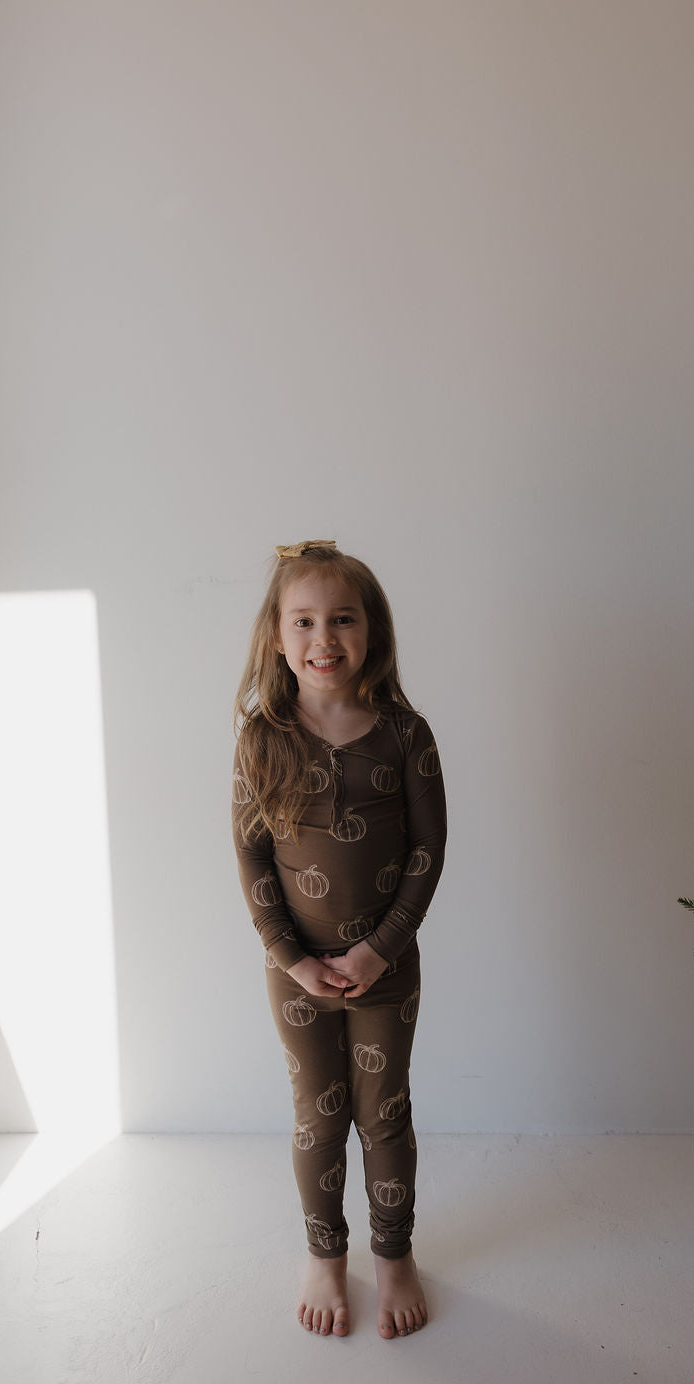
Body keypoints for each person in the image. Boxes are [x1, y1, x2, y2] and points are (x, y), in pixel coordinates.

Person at [232, 539, 447, 1341]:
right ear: (279, 638)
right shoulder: (262, 739)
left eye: (343, 619)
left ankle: (394, 1256)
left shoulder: (405, 733)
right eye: (306, 620)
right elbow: (252, 856)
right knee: (317, 1119)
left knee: (382, 1113)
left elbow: (427, 854)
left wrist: (379, 948)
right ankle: (325, 1254)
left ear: (371, 632)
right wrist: (293, 958)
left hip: (384, 966)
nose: (325, 637)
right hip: (296, 975)